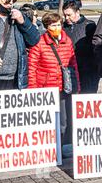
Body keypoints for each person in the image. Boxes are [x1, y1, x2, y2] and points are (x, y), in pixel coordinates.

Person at [28, 12, 80, 155]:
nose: (57, 27)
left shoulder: (67, 40)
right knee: (47, 121)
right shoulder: (39, 42)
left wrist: (77, 85)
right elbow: (32, 67)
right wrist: (33, 89)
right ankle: (47, 149)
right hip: (46, 88)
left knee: (63, 122)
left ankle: (59, 150)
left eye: (58, 24)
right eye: (53, 25)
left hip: (64, 87)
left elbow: (73, 63)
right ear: (46, 27)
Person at [63, 0, 98, 93]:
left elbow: (96, 48)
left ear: (77, 12)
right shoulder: (63, 27)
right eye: (65, 15)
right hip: (70, 71)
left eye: (69, 15)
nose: (66, 18)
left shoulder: (89, 26)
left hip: (88, 72)